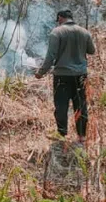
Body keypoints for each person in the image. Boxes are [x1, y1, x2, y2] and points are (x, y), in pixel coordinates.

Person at [34, 8, 95, 143]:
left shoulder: (56, 32)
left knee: (61, 105)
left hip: (62, 76)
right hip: (81, 76)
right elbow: (92, 50)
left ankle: (62, 135)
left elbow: (50, 56)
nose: (58, 22)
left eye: (58, 20)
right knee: (81, 105)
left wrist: (40, 73)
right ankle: (81, 136)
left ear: (60, 18)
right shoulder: (84, 32)